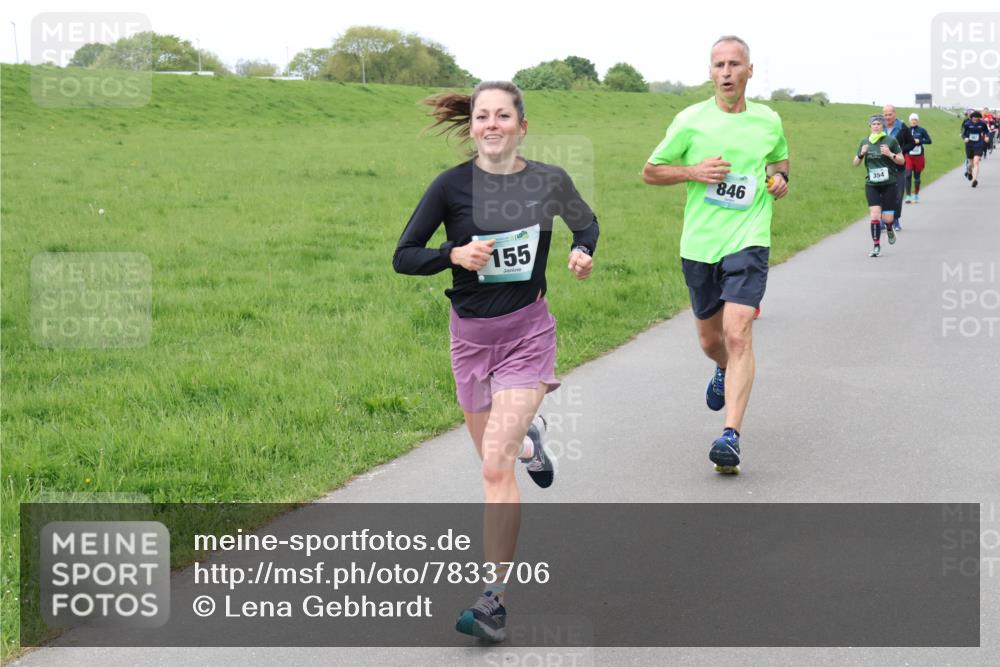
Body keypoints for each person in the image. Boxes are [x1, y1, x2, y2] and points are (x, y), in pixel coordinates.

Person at [393, 80, 599, 641]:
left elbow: (586, 223)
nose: (491, 124)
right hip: (470, 342)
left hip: (528, 335)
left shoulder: (548, 180)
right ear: (473, 126)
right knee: (502, 452)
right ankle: (532, 441)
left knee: (491, 467)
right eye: (482, 115)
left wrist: (583, 252)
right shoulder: (450, 186)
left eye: (502, 115)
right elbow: (403, 257)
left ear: (521, 125)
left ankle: (493, 601)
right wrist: (452, 254)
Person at [642, 35, 789, 473]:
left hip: (749, 238)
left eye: (734, 64)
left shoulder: (768, 120)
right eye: (718, 65)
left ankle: (731, 435)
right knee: (711, 340)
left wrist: (780, 181)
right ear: (710, 72)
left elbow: (779, 164)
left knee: (739, 331)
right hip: (701, 245)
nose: (726, 72)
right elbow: (650, 172)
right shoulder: (690, 121)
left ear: (749, 71)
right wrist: (693, 171)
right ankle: (723, 369)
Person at [854, 114, 905, 257]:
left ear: (883, 126)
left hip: (889, 183)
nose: (876, 126)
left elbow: (902, 161)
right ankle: (876, 246)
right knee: (875, 215)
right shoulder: (864, 142)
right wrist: (861, 154)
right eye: (873, 124)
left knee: (887, 218)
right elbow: (855, 163)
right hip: (872, 184)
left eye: (878, 123)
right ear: (869, 126)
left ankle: (889, 227)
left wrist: (890, 154)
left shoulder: (891, 140)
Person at [882, 105, 912, 231]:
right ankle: (883, 221)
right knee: (883, 195)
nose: (888, 117)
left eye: (890, 114)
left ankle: (895, 220)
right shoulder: (879, 127)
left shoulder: (902, 127)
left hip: (898, 166)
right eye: (885, 115)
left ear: (895, 114)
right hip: (882, 166)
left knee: (898, 194)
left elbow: (911, 142)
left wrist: (899, 151)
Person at [903, 113, 932, 204]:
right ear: (909, 120)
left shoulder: (922, 130)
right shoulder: (905, 130)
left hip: (919, 156)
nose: (913, 121)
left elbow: (929, 141)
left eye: (915, 120)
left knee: (917, 177)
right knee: (907, 175)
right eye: (912, 120)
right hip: (908, 156)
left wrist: (920, 141)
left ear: (917, 121)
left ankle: (916, 195)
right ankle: (908, 196)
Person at [962, 110, 991, 187]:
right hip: (969, 145)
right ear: (971, 117)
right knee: (970, 164)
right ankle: (969, 172)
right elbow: (963, 134)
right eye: (974, 118)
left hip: (979, 144)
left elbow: (987, 131)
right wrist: (965, 138)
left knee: (976, 162)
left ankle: (974, 180)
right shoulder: (967, 124)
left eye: (977, 118)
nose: (975, 119)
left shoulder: (982, 124)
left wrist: (987, 137)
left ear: (979, 118)